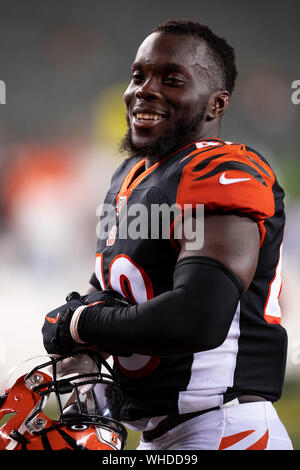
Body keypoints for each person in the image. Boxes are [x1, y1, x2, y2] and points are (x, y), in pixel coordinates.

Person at [42, 19, 293, 450]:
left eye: (172, 80)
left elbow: (198, 317)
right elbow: (109, 296)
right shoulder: (130, 177)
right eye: (138, 76)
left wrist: (79, 323)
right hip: (164, 434)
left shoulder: (221, 170)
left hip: (224, 428)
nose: (144, 89)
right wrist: (78, 344)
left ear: (216, 105)